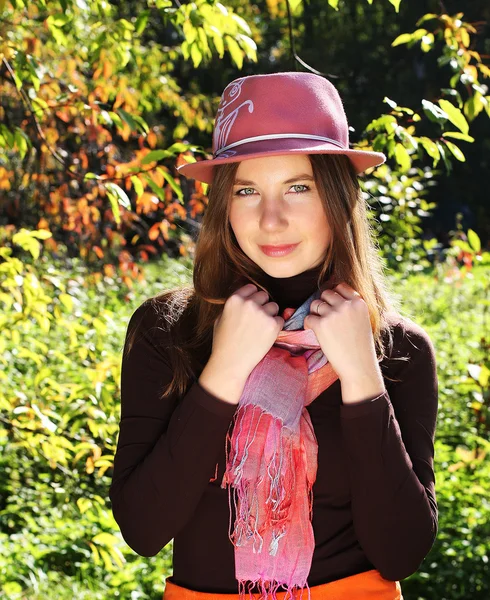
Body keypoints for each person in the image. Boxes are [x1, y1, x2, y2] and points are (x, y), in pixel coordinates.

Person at [109, 72, 438, 600]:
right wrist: (223, 371)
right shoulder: (167, 331)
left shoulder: (397, 348)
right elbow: (144, 529)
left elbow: (401, 551)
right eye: (247, 190)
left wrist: (361, 378)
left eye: (298, 187)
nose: (271, 219)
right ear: (224, 206)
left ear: (337, 197)